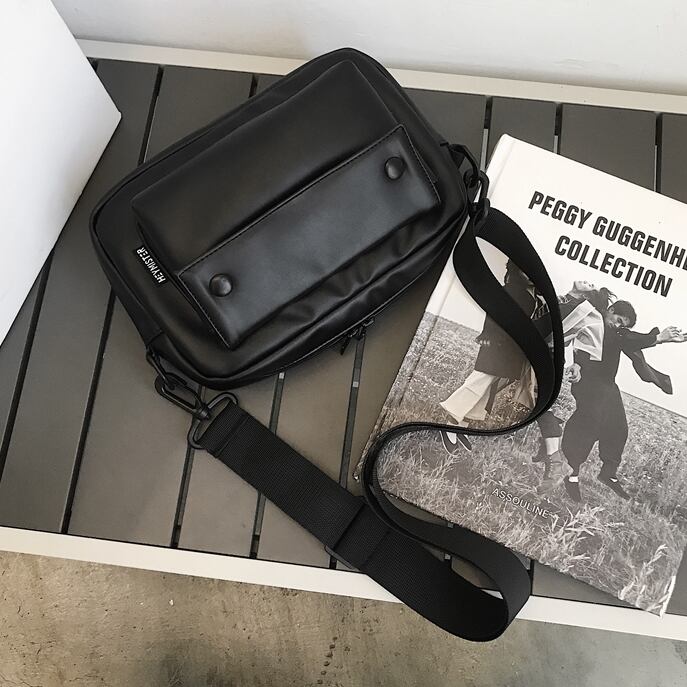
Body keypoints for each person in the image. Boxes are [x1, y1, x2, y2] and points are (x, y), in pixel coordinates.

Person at [561, 301, 683, 501]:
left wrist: (661, 339)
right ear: (610, 310)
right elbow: (582, 344)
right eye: (618, 320)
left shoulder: (616, 333)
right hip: (588, 382)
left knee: (619, 427)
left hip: (607, 386)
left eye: (622, 325)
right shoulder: (595, 322)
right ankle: (571, 475)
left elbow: (628, 339)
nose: (617, 326)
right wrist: (659, 338)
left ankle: (608, 472)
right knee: (589, 425)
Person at [439, 260, 542, 453]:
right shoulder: (511, 289)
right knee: (478, 382)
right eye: (523, 271)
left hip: (511, 350)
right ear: (515, 271)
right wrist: (488, 335)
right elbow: (493, 312)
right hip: (497, 345)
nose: (528, 274)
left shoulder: (534, 296)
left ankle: (463, 425)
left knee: (488, 388)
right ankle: (450, 423)